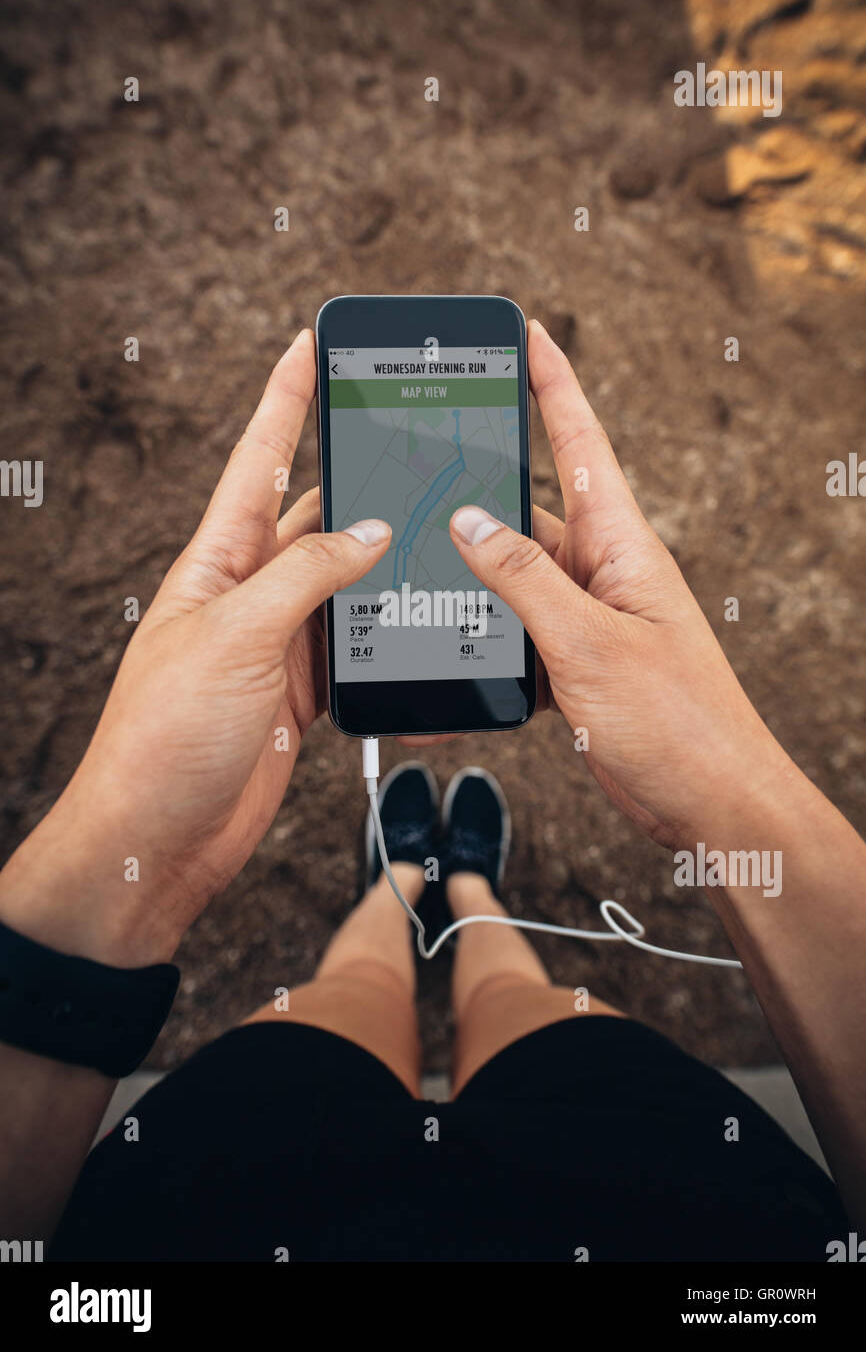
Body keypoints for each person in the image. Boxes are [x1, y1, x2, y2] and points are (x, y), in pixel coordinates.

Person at [0, 323, 861, 1262]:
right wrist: (728, 789)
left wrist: (140, 860)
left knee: (348, 998)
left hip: (240, 1198)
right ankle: (463, 892)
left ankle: (404, 881)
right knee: (538, 1023)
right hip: (657, 1207)